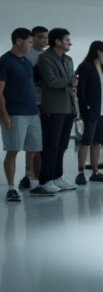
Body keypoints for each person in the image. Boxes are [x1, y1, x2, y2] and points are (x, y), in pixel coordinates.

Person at [1, 29, 45, 202]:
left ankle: (34, 184)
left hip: (32, 112)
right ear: (19, 41)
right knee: (13, 150)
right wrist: (4, 115)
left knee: (34, 149)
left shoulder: (26, 63)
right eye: (29, 42)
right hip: (15, 112)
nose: (31, 45)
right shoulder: (4, 61)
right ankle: (11, 188)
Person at [37, 28, 79, 194]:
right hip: (53, 108)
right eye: (67, 40)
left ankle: (57, 176)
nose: (70, 43)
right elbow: (51, 81)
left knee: (62, 145)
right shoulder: (45, 58)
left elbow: (70, 82)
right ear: (58, 42)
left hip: (68, 107)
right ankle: (45, 180)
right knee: (50, 145)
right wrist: (70, 82)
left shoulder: (68, 59)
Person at [75, 41, 103, 185]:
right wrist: (85, 108)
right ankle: (80, 172)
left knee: (97, 142)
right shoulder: (85, 67)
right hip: (92, 110)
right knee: (86, 141)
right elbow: (80, 91)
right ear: (98, 52)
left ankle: (95, 171)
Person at [18, 25, 47, 190]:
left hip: (46, 103)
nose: (44, 41)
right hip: (29, 103)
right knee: (30, 144)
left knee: (40, 143)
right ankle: (28, 175)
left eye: (46, 37)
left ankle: (38, 177)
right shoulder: (25, 56)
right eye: (40, 37)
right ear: (32, 38)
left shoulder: (47, 56)